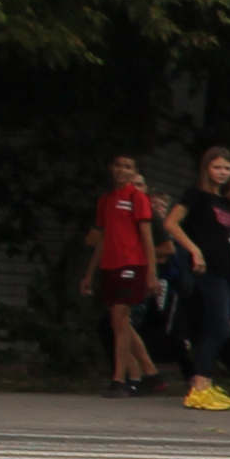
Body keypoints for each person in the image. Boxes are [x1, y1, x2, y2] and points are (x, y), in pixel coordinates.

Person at [165, 146, 230, 411]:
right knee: (219, 326)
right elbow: (171, 223)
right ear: (206, 168)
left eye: (227, 168)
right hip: (207, 270)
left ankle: (204, 382)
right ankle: (200, 387)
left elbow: (224, 236)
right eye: (217, 167)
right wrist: (193, 250)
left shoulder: (228, 202)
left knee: (215, 326)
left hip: (226, 269)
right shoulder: (196, 195)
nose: (222, 173)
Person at [79, 154, 163, 395]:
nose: (122, 170)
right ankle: (150, 373)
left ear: (134, 171)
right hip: (109, 265)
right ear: (111, 168)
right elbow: (102, 239)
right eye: (118, 165)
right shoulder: (105, 201)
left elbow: (147, 237)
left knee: (120, 319)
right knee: (120, 323)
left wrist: (150, 272)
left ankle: (119, 379)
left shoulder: (137, 198)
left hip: (132, 264)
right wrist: (89, 274)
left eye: (128, 167)